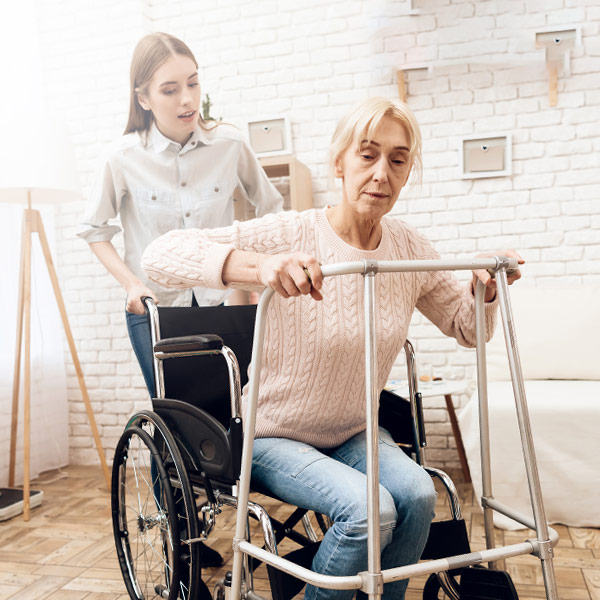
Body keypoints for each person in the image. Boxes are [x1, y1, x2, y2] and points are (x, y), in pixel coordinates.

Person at [140, 96, 524, 600]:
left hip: (353, 429)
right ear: (339, 162)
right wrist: (259, 267)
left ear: (408, 173)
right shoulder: (295, 231)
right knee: (369, 511)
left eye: (397, 159)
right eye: (367, 154)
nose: (381, 173)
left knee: (416, 496)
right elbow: (159, 256)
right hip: (273, 435)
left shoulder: (408, 246)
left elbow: (466, 326)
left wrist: (485, 290)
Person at [77, 32, 283, 574]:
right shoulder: (121, 157)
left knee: (224, 419)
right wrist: (129, 282)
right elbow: (95, 231)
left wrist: (245, 278)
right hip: (156, 310)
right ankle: (178, 535)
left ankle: (223, 518)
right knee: (170, 419)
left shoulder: (230, 145)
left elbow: (271, 207)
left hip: (221, 306)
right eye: (170, 89)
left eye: (193, 83)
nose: (187, 99)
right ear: (143, 97)